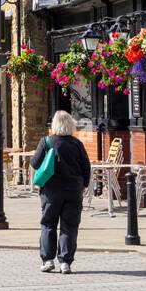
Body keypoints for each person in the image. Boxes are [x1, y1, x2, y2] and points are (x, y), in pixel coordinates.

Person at [30, 110, 92, 274]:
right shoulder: (77, 144)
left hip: (51, 191)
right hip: (73, 190)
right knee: (70, 226)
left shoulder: (46, 142)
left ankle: (48, 260)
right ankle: (65, 262)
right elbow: (86, 166)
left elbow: (35, 163)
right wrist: (84, 184)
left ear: (54, 125)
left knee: (48, 224)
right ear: (70, 125)